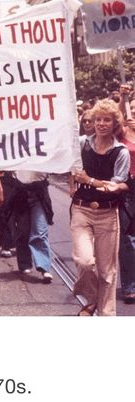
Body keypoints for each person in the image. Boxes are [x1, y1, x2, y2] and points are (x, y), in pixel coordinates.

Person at [71, 99, 129, 316]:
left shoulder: (120, 151)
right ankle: (94, 298)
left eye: (107, 120)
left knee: (107, 273)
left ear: (114, 123)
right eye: (98, 119)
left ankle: (107, 317)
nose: (101, 124)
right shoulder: (81, 144)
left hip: (107, 213)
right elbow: (68, 165)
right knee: (84, 261)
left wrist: (90, 180)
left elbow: (115, 186)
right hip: (81, 210)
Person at [6, 171, 54, 282]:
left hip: (39, 194)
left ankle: (44, 267)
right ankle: (24, 263)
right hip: (21, 194)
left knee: (40, 231)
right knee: (23, 231)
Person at [117, 88, 135, 303]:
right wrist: (123, 98)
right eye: (131, 110)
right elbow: (114, 121)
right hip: (126, 189)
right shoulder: (121, 133)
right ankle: (130, 285)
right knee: (128, 240)